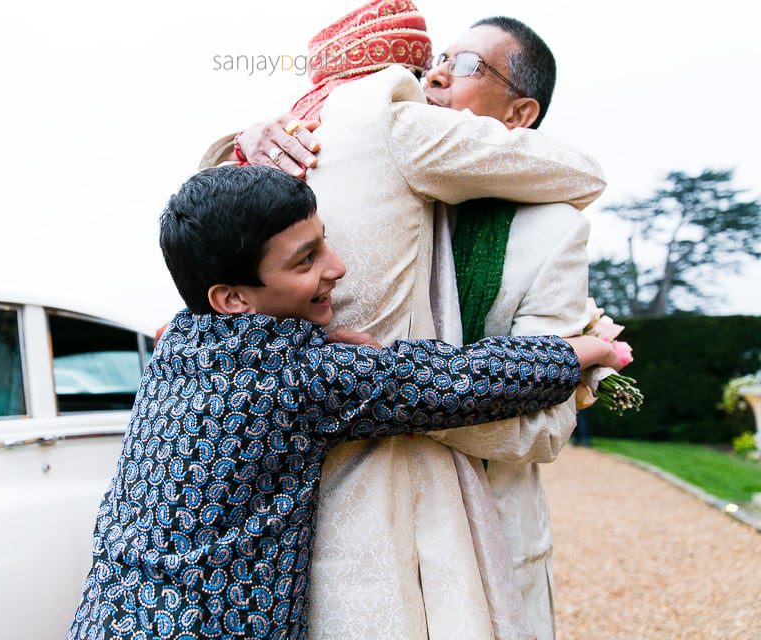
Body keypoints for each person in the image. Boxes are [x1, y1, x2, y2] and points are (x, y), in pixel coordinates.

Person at [67, 165, 620, 640]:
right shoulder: (301, 378)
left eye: (324, 241)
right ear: (232, 298)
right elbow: (457, 381)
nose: (338, 266)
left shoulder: (177, 345)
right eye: (306, 260)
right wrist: (579, 351)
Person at [199, 1, 605, 637]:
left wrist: (388, 391)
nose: (435, 75)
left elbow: (544, 428)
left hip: (491, 533)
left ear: (520, 116)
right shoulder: (356, 171)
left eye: (465, 65)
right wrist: (241, 144)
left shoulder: (550, 231)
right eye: (436, 59)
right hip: (338, 542)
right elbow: (228, 248)